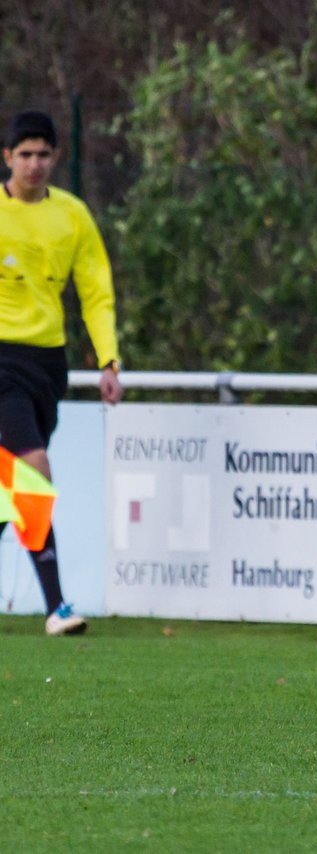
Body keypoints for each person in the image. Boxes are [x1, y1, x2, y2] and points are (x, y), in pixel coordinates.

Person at [0, 110, 123, 636]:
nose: (34, 164)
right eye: (24, 154)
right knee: (34, 468)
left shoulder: (72, 216)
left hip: (48, 363)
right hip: (0, 358)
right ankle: (57, 607)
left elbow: (96, 293)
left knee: (13, 490)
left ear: (55, 158)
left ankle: (55, 604)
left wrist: (109, 359)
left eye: (43, 154)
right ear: (7, 158)